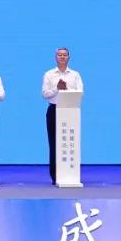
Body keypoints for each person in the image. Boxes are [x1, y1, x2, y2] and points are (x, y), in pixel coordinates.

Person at [41, 47, 83, 183]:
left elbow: (80, 92)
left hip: (71, 110)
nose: (62, 57)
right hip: (54, 110)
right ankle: (55, 175)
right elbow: (45, 94)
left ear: (69, 57)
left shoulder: (75, 75)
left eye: (65, 55)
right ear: (55, 57)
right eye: (60, 55)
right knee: (54, 143)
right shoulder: (49, 74)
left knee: (70, 141)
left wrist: (66, 89)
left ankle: (71, 172)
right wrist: (57, 89)